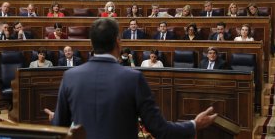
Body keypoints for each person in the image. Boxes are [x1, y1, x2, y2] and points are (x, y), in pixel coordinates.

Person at [47, 18, 217, 138]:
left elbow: (58, 129)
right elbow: (160, 130)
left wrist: (56, 118)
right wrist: (194, 124)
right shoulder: (133, 78)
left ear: (92, 44)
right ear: (118, 42)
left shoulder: (70, 77)